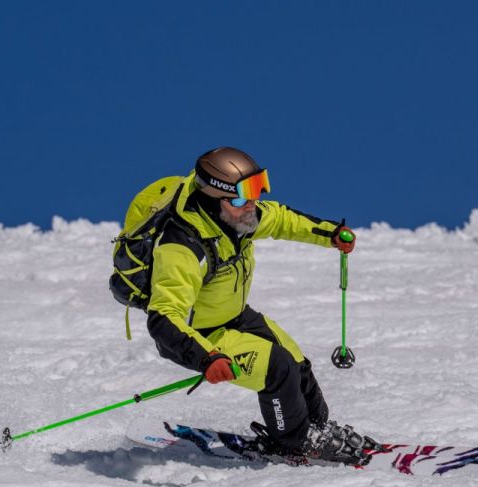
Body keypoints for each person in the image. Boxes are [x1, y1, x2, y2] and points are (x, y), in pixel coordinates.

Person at [144, 147, 373, 464]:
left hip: (234, 317)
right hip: (200, 337)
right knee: (277, 367)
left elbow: (281, 219)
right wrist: (207, 358)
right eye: (240, 198)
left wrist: (330, 234)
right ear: (214, 200)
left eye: (254, 192)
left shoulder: (238, 219)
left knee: (295, 361)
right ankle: (295, 443)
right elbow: (163, 318)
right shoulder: (183, 246)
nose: (251, 204)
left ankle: (318, 429)